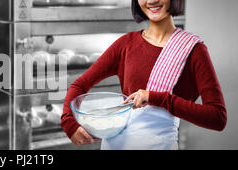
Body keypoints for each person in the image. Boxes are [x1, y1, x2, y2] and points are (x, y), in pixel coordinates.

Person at [61, 0, 227, 150]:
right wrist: (69, 124)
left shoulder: (193, 50)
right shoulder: (126, 44)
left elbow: (217, 117)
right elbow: (79, 85)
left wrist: (157, 98)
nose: (152, 1)